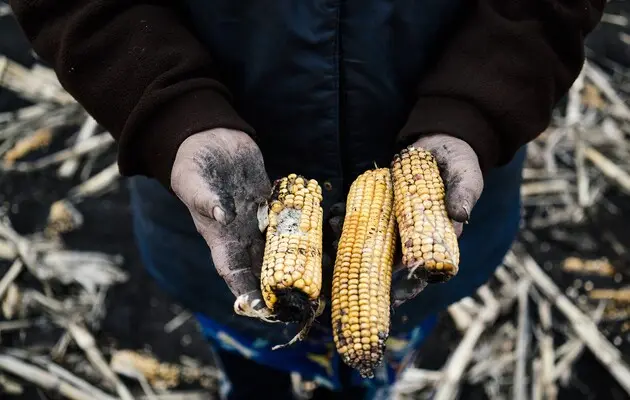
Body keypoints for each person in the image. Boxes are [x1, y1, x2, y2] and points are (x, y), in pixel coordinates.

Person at [10, 1, 604, 398]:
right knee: (247, 339)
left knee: (378, 353)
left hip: (432, 196)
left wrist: (473, 110)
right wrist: (173, 111)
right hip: (213, 218)